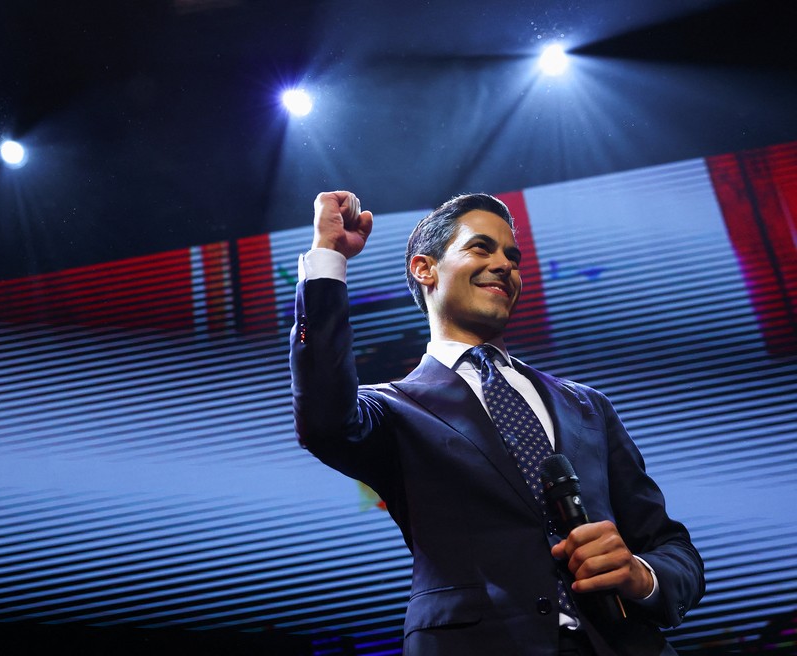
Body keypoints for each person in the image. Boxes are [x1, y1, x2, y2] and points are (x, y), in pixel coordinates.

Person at [289, 190, 705, 655]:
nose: (505, 264)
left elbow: (672, 548)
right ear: (424, 268)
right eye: (481, 247)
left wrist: (640, 575)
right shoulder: (392, 409)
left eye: (513, 255)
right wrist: (328, 256)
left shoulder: (587, 406)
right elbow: (324, 419)